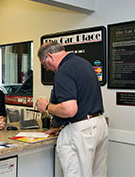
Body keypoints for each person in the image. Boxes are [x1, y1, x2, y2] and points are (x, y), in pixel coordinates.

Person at [36, 42, 108, 177]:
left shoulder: (63, 70)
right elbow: (82, 102)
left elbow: (69, 110)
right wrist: (64, 125)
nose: (47, 69)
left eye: (45, 65)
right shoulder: (84, 64)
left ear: (50, 56)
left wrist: (46, 107)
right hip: (99, 124)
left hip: (81, 132)